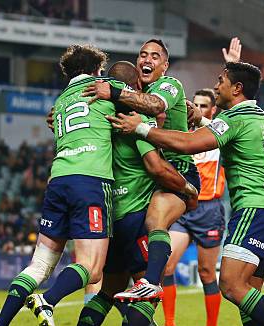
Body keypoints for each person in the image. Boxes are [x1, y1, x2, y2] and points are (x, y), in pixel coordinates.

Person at [106, 61, 264, 326]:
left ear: (237, 89)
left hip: (252, 211)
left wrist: (142, 128)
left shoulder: (235, 117)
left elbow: (190, 144)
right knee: (250, 295)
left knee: (230, 284)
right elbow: (225, 132)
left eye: (221, 81)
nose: (216, 86)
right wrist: (203, 115)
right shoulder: (257, 116)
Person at [0, 44, 124, 326]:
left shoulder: (60, 103)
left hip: (58, 180)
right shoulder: (103, 93)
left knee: (39, 265)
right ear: (96, 70)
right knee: (93, 268)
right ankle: (48, 300)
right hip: (90, 181)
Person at [56, 60, 196, 326]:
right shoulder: (136, 119)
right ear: (134, 87)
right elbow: (156, 167)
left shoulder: (101, 119)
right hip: (135, 218)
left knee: (108, 291)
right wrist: (188, 189)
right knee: (150, 291)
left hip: (111, 216)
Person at [83, 39, 199, 301]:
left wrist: (112, 93)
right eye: (143, 55)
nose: (147, 59)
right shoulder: (131, 98)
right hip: (145, 183)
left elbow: (156, 105)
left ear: (165, 66)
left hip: (175, 170)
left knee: (155, 223)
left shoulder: (169, 86)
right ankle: (144, 310)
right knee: (112, 281)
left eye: (155, 56)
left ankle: (150, 284)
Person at [156, 38, 242, 326]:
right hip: (184, 206)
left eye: (204, 105)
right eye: (194, 104)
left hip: (209, 209)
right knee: (166, 265)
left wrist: (231, 65)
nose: (196, 108)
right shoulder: (182, 134)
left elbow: (231, 101)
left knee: (208, 272)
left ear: (212, 110)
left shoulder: (219, 130)